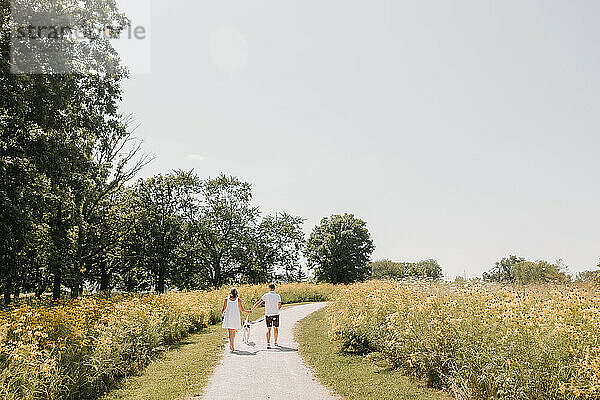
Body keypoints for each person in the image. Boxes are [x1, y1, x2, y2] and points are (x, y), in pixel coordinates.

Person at [251, 283, 282, 348]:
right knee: (275, 328)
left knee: (269, 329)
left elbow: (259, 302)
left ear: (269, 288)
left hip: (268, 314)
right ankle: (275, 342)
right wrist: (277, 309)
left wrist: (252, 309)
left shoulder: (266, 295)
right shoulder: (278, 296)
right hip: (276, 314)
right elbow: (279, 305)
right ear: (274, 288)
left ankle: (268, 343)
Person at [222, 287, 251, 352]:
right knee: (233, 330)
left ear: (230, 293)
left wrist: (222, 313)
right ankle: (232, 346)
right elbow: (242, 309)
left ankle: (231, 344)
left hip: (229, 316)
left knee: (231, 331)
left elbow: (223, 309)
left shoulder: (226, 300)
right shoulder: (238, 300)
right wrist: (247, 311)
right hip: (235, 316)